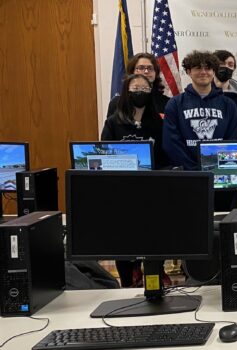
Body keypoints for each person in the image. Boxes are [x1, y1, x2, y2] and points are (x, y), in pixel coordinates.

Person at [102, 74, 166, 288]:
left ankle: (154, 278)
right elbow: (104, 154)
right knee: (124, 241)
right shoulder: (113, 122)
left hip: (153, 191)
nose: (140, 91)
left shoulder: (158, 122)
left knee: (155, 238)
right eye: (135, 87)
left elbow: (165, 156)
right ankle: (128, 282)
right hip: (122, 192)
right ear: (126, 92)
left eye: (145, 88)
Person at [162, 50, 237, 171]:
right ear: (189, 72)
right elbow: (171, 142)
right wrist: (193, 168)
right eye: (198, 68)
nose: (203, 72)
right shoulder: (175, 104)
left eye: (208, 68)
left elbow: (232, 140)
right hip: (187, 174)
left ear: (213, 72)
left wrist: (217, 166)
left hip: (219, 170)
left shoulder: (229, 105)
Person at [106, 53, 171, 132]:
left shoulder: (167, 103)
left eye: (150, 68)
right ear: (132, 71)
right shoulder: (117, 102)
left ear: (156, 73)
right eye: (141, 68)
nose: (146, 71)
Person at [213, 50, 237, 120]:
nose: (226, 67)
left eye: (230, 65)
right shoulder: (203, 90)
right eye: (221, 63)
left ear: (234, 68)